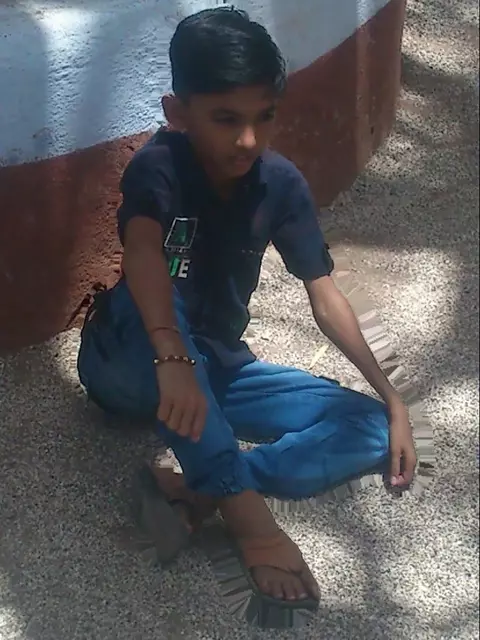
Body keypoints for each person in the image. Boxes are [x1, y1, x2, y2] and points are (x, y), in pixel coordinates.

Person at [77, 7, 416, 610]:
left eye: (265, 117)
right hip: (132, 358)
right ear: (178, 113)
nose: (249, 140)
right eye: (226, 119)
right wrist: (171, 355)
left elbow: (324, 293)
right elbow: (143, 252)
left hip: (214, 364)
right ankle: (250, 521)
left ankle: (202, 489)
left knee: (369, 427)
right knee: (155, 305)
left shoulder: (279, 183)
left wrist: (391, 400)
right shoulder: (159, 166)